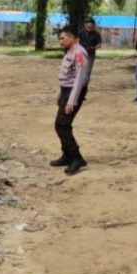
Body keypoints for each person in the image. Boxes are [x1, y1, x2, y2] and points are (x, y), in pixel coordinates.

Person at [50, 25, 91, 175]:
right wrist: (60, 94)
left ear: (73, 38)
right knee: (62, 124)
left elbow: (79, 80)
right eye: (60, 38)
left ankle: (76, 157)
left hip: (74, 92)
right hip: (66, 91)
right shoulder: (70, 52)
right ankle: (67, 155)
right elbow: (66, 77)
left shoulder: (80, 53)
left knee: (62, 124)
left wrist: (71, 101)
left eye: (63, 38)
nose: (60, 41)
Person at [80, 17, 103, 98]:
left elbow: (99, 44)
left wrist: (93, 48)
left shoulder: (97, 35)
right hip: (80, 55)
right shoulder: (81, 33)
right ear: (85, 25)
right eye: (87, 26)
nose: (89, 28)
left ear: (94, 26)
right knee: (78, 72)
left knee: (86, 74)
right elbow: (76, 41)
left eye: (91, 26)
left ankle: (82, 93)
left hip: (90, 55)